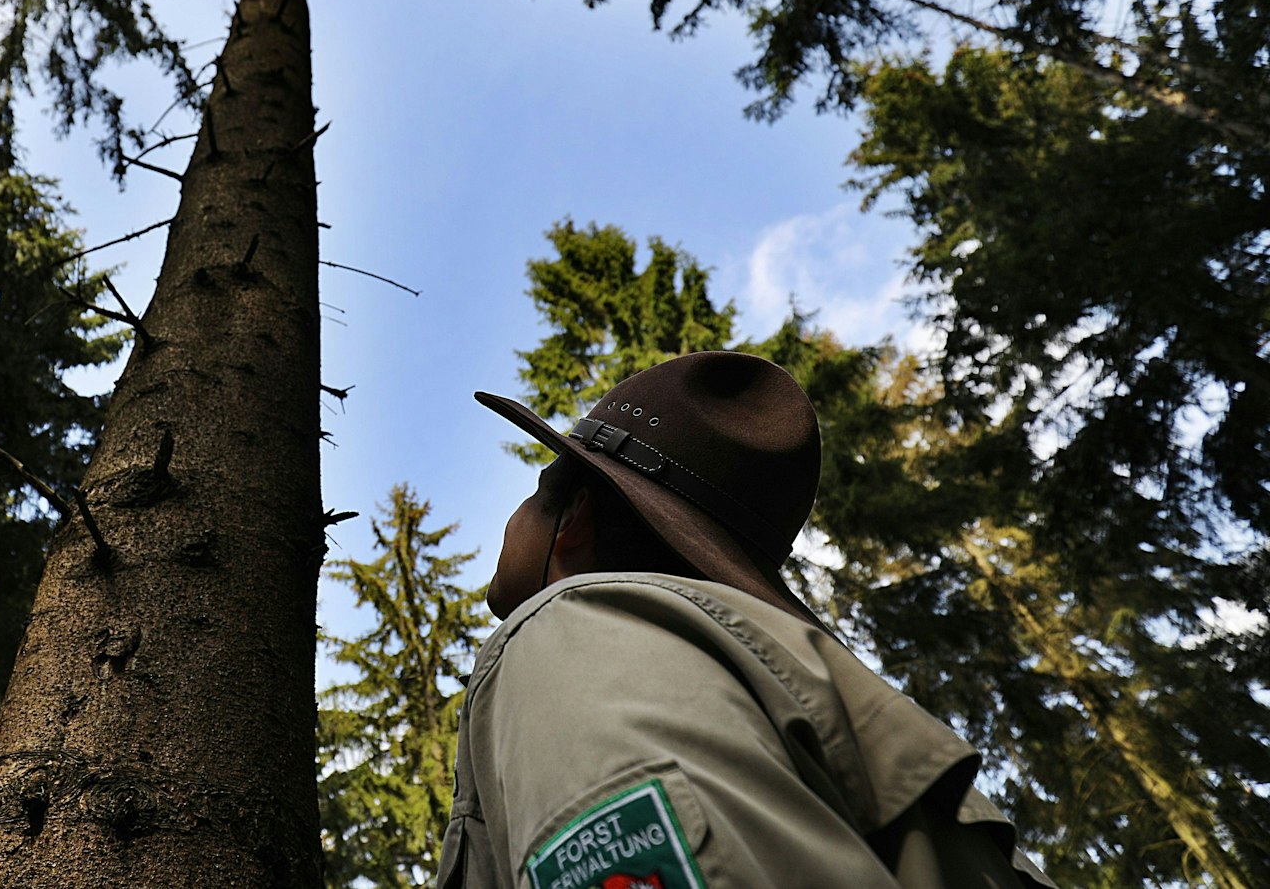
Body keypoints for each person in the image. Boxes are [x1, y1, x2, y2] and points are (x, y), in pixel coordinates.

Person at [437, 350, 1055, 889]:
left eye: (538, 485)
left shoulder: (571, 637)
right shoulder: (788, 688)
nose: (511, 517)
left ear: (572, 516)